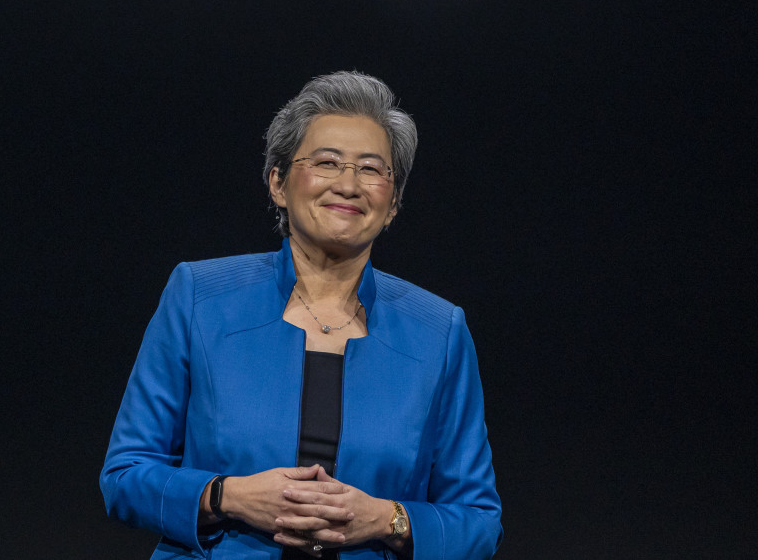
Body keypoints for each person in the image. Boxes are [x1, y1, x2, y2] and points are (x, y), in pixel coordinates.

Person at [100, 72, 502, 560]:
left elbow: (479, 521)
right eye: (327, 162)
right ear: (278, 183)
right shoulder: (200, 297)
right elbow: (125, 475)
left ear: (393, 202)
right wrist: (228, 496)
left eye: (371, 169)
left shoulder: (438, 331)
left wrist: (388, 519)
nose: (348, 185)